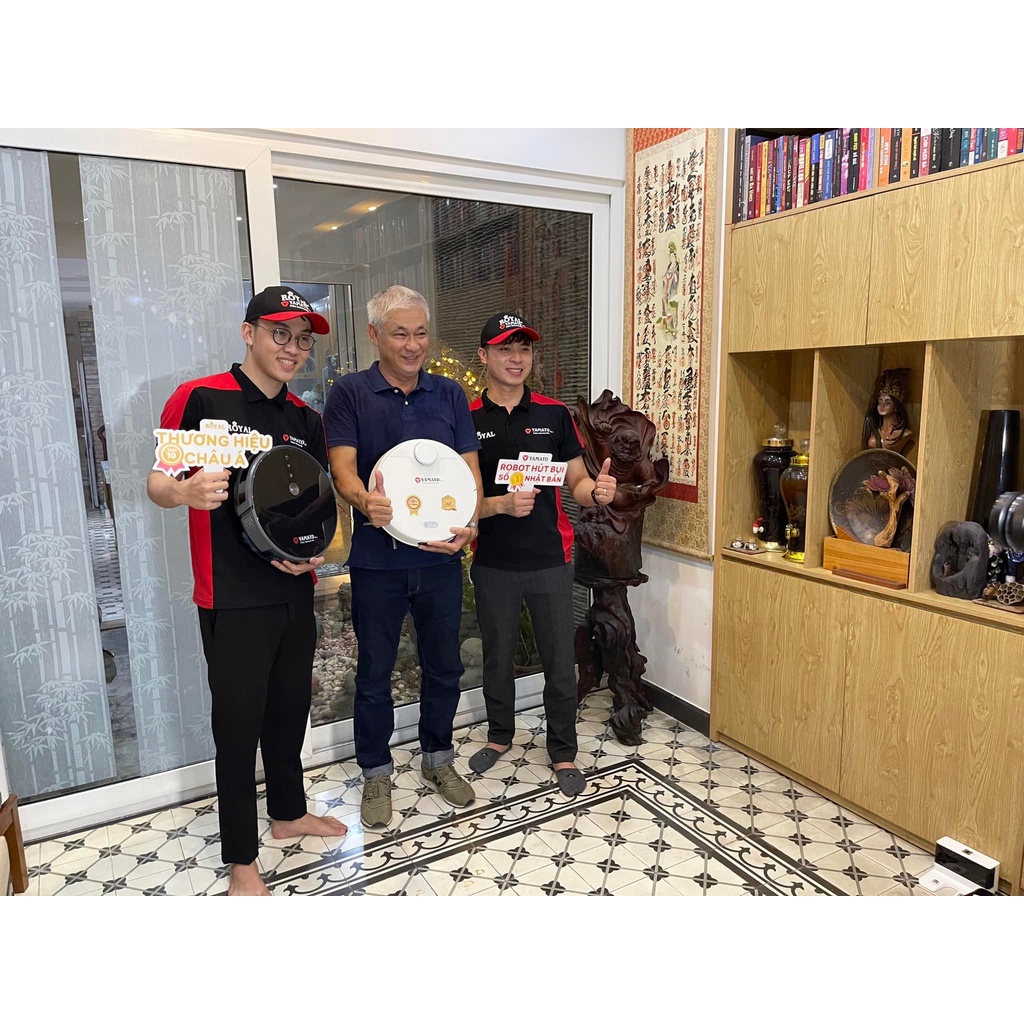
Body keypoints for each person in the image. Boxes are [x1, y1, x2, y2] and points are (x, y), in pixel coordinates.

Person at [147, 285, 346, 896]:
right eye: (280, 333)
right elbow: (157, 483)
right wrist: (184, 491)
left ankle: (288, 814)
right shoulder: (201, 399)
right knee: (237, 730)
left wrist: (313, 551)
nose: (292, 348)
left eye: (302, 339)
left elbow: (313, 502)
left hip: (293, 589)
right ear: (249, 333)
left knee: (288, 711)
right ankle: (241, 860)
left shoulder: (305, 419)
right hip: (230, 596)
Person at [323, 286, 483, 830]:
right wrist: (363, 500)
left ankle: (438, 758)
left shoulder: (450, 395)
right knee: (374, 671)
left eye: (420, 333)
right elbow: (342, 469)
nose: (413, 345)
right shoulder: (350, 393)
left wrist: (470, 525)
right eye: (400, 333)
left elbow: (467, 472)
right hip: (377, 562)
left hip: (440, 560)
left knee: (444, 665)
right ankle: (376, 771)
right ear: (375, 335)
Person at [466, 313, 618, 796]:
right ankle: (499, 735)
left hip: (550, 558)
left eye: (525, 349)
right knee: (497, 657)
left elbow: (576, 479)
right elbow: (461, 499)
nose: (517, 358)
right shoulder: (467, 418)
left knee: (558, 658)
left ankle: (563, 749)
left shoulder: (553, 414)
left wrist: (596, 491)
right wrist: (500, 505)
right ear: (484, 355)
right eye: (506, 349)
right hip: (492, 561)